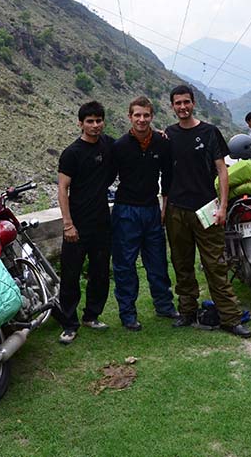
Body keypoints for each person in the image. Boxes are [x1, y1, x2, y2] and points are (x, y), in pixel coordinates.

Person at [164, 85, 251, 338]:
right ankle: (187, 312)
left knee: (215, 264)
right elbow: (165, 174)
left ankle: (231, 318)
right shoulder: (169, 135)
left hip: (206, 208)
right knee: (181, 264)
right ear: (172, 106)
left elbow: (222, 170)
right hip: (176, 210)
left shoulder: (210, 132)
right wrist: (164, 207)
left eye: (186, 102)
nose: (182, 107)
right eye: (178, 103)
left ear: (193, 103)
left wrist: (223, 206)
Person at [111, 96, 179, 331]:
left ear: (152, 117)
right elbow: (106, 178)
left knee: (158, 261)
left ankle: (164, 305)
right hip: (125, 211)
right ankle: (128, 313)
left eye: (146, 115)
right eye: (137, 115)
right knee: (124, 265)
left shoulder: (162, 142)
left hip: (152, 209)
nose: (142, 119)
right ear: (129, 117)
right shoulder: (119, 146)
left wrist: (164, 205)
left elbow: (168, 177)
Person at [55, 101, 115, 344]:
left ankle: (92, 315)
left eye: (98, 120)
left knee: (100, 272)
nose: (95, 125)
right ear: (80, 123)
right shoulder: (72, 153)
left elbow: (132, 142)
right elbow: (62, 189)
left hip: (101, 221)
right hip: (77, 225)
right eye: (89, 121)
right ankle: (69, 324)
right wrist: (68, 224)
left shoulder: (109, 145)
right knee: (70, 275)